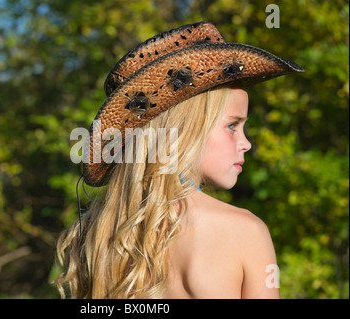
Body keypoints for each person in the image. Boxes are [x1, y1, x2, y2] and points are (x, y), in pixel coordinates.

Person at [56, 22, 303, 299]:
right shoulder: (246, 232)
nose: (246, 143)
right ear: (186, 131)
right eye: (232, 126)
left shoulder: (98, 234)